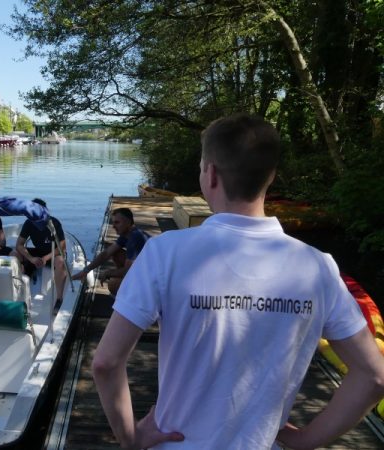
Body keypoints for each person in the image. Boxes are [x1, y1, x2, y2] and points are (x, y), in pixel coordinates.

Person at [92, 114, 384, 450]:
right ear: (271, 177)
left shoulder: (165, 252)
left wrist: (130, 438)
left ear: (210, 174)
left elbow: (106, 362)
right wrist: (306, 440)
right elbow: (374, 376)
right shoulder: (317, 268)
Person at [72, 208, 149, 296]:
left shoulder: (135, 238)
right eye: (113, 223)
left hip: (151, 278)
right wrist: (85, 271)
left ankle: (129, 298)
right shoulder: (127, 235)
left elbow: (128, 270)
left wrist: (107, 273)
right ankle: (127, 284)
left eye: (117, 222)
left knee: (113, 285)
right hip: (143, 270)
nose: (113, 226)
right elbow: (106, 254)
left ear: (128, 222)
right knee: (116, 253)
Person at [16, 198, 67, 309]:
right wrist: (31, 258)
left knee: (60, 261)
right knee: (16, 253)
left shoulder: (54, 223)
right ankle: (19, 292)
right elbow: (19, 244)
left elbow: (62, 248)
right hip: (38, 252)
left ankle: (59, 298)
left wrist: (45, 258)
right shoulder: (29, 223)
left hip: (53, 253)